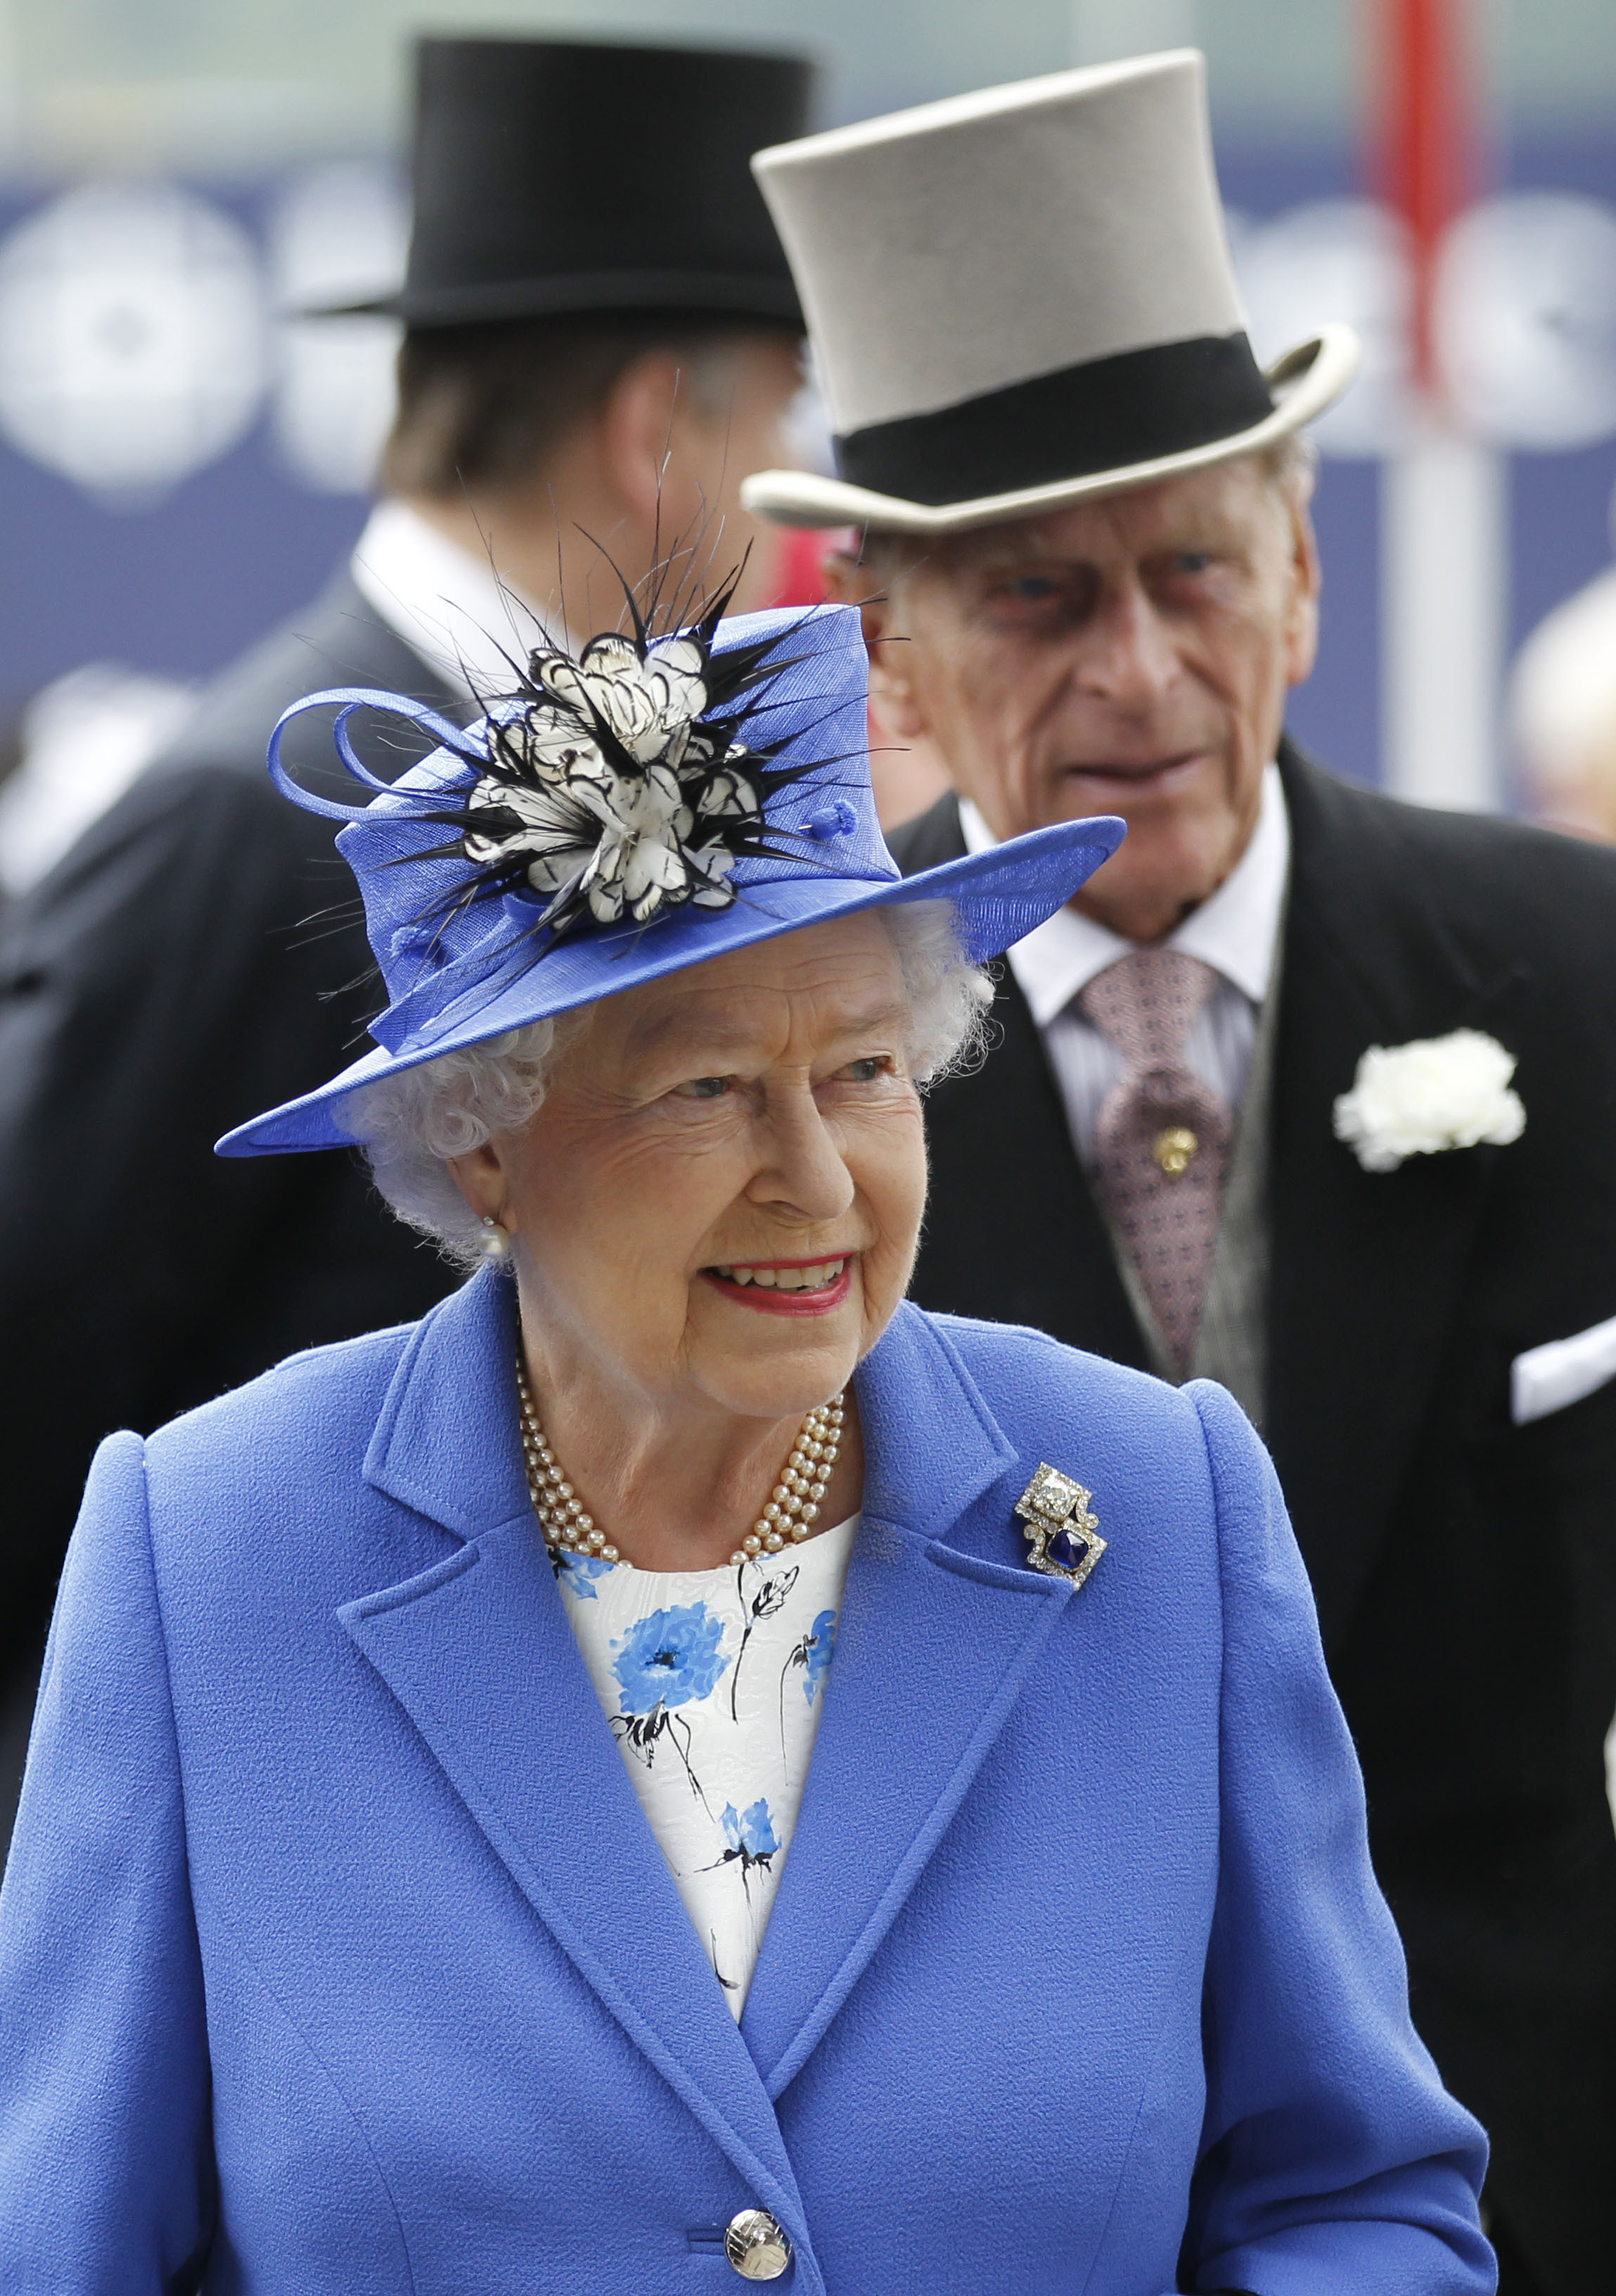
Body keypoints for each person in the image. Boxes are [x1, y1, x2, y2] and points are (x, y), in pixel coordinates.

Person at [0, 582, 1491, 2290]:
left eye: (864, 1069)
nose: (819, 1177)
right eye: (706, 1088)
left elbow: (1347, 2199)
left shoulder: (1154, 1502)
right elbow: (62, 2249)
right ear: (483, 1144)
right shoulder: (207, 1551)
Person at [742, 52, 1616, 2296]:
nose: (1140, 668)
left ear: (1304, 579)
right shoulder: (764, 1091)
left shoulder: (1582, 974)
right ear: (891, 661)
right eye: (1040, 600)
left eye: (1193, 571)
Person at [0, 34, 813, 1751]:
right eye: (779, 420)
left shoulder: (545, 766)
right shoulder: (246, 814)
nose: (782, 500)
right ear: (656, 420)